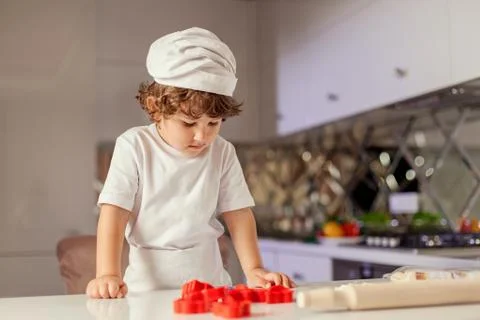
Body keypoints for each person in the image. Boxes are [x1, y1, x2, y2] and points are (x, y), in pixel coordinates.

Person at [86, 27, 295, 299]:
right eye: (188, 123)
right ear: (156, 108)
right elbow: (114, 213)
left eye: (213, 123)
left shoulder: (222, 152)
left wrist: (254, 269)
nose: (202, 135)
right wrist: (107, 274)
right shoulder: (134, 146)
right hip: (146, 292)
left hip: (213, 289)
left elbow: (239, 214)